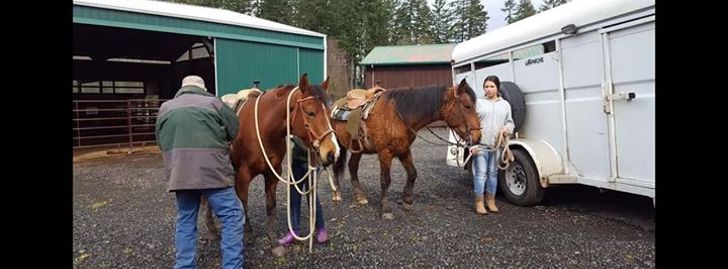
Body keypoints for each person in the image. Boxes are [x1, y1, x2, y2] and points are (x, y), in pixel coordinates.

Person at [155, 75, 244, 269]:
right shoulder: (214, 103)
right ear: (202, 89)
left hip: (181, 175)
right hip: (214, 174)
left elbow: (161, 142)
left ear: (182, 88)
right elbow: (234, 129)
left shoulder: (165, 108)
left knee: (186, 220)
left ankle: (185, 266)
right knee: (232, 218)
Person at [469, 75, 515, 215]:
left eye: (491, 86)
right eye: (486, 86)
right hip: (481, 145)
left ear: (497, 88)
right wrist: (471, 144)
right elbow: (471, 125)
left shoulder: (505, 104)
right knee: (481, 174)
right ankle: (479, 203)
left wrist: (507, 129)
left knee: (493, 174)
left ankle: (491, 201)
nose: (488, 89)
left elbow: (510, 122)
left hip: (497, 146)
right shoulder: (478, 103)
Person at [278, 135, 329, 246]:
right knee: (294, 198)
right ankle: (294, 230)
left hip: (311, 162)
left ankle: (321, 229)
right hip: (297, 162)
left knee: (312, 198)